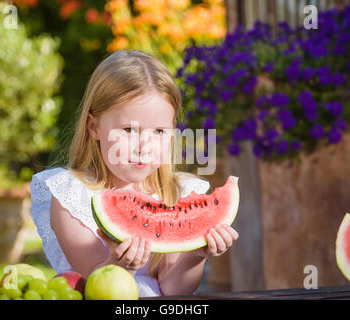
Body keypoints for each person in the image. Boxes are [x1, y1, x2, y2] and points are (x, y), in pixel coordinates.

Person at [30, 50, 239, 298]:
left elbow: (174, 289)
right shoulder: (70, 195)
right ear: (93, 127)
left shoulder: (178, 194)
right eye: (129, 129)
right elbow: (93, 282)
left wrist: (195, 254)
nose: (144, 146)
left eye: (159, 132)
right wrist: (120, 266)